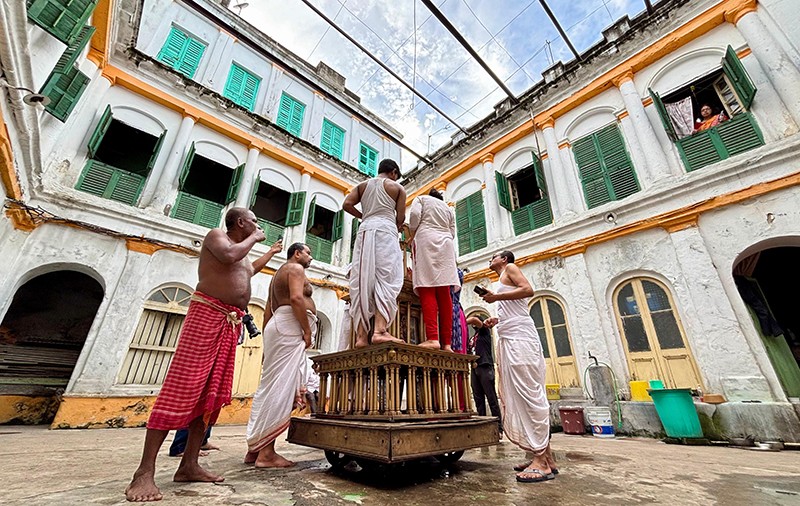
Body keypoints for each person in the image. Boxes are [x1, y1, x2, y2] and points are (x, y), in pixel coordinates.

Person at [125, 208, 282, 502]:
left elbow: (248, 269)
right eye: (255, 221)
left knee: (209, 396)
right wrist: (257, 239)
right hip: (206, 316)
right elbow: (229, 257)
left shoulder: (242, 252)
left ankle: (189, 464)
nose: (258, 225)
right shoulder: (216, 237)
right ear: (240, 222)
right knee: (181, 389)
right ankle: (143, 472)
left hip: (229, 322)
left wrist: (270, 252)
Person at [480, 250, 557, 484]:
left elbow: (528, 290)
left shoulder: (510, 269)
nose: (490, 260)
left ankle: (541, 462)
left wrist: (496, 298)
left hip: (521, 339)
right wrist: (497, 320)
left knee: (529, 393)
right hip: (511, 335)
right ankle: (545, 456)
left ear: (504, 259)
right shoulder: (501, 278)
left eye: (494, 256)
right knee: (522, 394)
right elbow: (516, 306)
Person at [245, 242, 317, 468]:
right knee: (281, 388)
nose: (311, 258)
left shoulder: (278, 274)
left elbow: (269, 309)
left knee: (270, 386)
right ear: (297, 254)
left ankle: (255, 449)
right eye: (308, 253)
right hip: (288, 328)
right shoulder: (295, 269)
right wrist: (306, 330)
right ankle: (266, 454)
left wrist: (268, 345)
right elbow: (296, 299)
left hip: (278, 327)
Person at [343, 159, 406, 348]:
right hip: (386, 230)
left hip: (365, 230)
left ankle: (361, 337)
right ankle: (379, 331)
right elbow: (400, 218)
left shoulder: (362, 186)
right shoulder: (397, 188)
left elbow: (346, 204)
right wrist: (394, 224)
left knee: (362, 280)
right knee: (387, 278)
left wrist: (365, 216)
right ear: (394, 172)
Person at [408, 188, 458, 351]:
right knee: (444, 291)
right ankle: (447, 343)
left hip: (426, 239)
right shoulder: (448, 208)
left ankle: (433, 338)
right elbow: (452, 232)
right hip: (446, 243)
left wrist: (412, 233)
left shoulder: (421, 199)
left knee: (427, 287)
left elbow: (414, 218)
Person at [466, 315, 502, 436]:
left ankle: (499, 428)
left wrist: (461, 320)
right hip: (475, 368)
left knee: (491, 398)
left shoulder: (484, 331)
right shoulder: (472, 337)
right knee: (478, 399)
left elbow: (475, 320)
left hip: (485, 366)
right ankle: (483, 427)